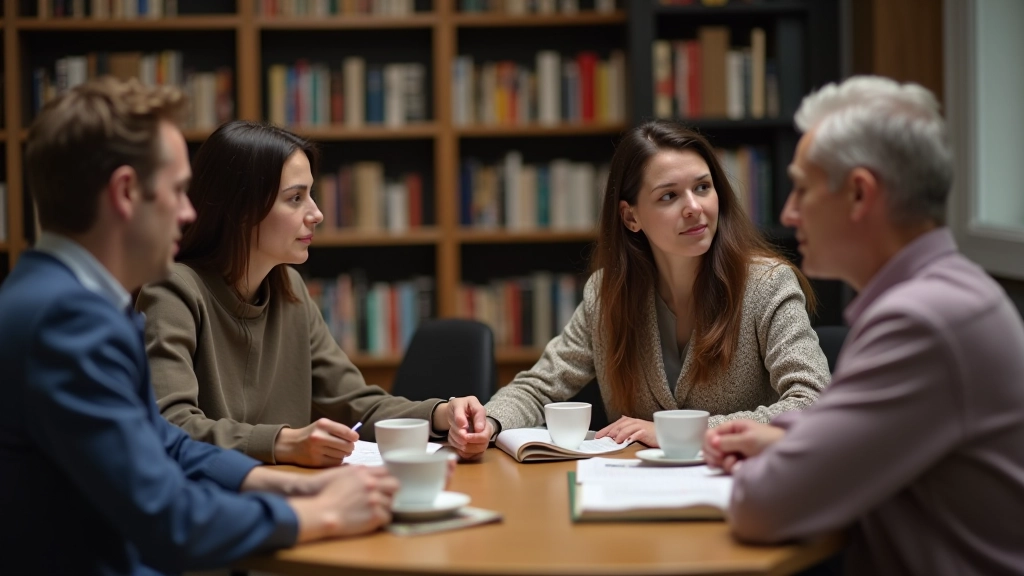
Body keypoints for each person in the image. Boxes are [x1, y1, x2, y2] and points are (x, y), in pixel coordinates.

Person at [0, 78, 402, 575]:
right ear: (126, 193)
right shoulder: (67, 322)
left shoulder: (69, 300)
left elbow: (163, 443)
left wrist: (285, 483)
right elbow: (168, 517)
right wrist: (317, 513)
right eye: (176, 190)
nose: (190, 211)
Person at [703, 76, 1024, 573]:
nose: (788, 213)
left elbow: (761, 508)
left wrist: (784, 459)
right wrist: (788, 437)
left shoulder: (922, 321)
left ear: (858, 195)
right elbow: (862, 425)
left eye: (803, 189)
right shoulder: (947, 295)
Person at [461, 120, 830, 453]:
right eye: (669, 196)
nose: (694, 208)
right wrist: (487, 422)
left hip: (739, 490)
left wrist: (679, 431)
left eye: (703, 187)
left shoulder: (766, 285)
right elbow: (540, 386)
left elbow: (813, 400)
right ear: (631, 217)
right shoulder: (607, 294)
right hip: (633, 492)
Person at [136, 120, 490, 465]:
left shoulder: (290, 288)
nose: (317, 213)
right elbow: (171, 424)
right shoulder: (172, 290)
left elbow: (355, 404)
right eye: (295, 198)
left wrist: (444, 413)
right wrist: (284, 442)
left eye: (311, 194)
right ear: (240, 210)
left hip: (294, 494)